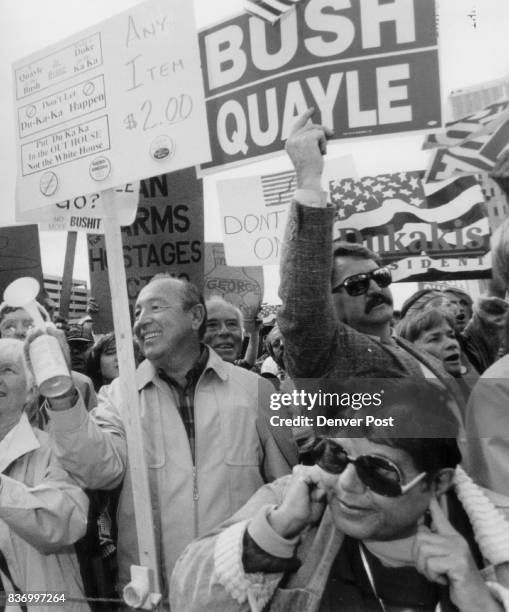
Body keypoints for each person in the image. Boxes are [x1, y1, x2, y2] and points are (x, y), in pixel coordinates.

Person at [39, 276, 297, 607]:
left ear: (195, 316)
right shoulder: (119, 395)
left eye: (155, 307)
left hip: (238, 590)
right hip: (153, 595)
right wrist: (61, 396)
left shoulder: (256, 390)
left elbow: (284, 490)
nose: (141, 321)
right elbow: (98, 470)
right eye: (136, 312)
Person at [170, 379, 509, 612]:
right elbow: (187, 596)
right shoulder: (296, 497)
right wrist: (275, 531)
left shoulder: (495, 534)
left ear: (438, 483)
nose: (346, 483)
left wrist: (481, 602)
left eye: (378, 471)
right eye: (336, 454)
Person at [277, 109, 466, 416]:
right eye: (356, 284)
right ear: (327, 300)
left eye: (379, 276)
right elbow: (301, 309)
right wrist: (309, 178)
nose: (375, 287)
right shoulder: (330, 356)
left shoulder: (412, 351)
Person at [0, 338, 90, 611]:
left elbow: (66, 523)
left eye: (6, 370)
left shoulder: (55, 449)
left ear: (31, 391)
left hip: (43, 602)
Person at [0, 302, 97, 426]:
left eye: (29, 325)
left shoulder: (79, 384)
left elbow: (90, 440)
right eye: (9, 327)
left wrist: (64, 397)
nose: (19, 332)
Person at [397, 308, 479, 409]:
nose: (451, 344)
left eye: (451, 336)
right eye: (434, 339)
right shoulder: (417, 404)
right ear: (411, 350)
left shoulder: (471, 382)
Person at [204, 297, 260, 369]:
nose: (224, 332)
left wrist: (254, 332)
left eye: (231, 324)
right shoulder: (186, 377)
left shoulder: (241, 375)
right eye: (212, 325)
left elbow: (248, 363)